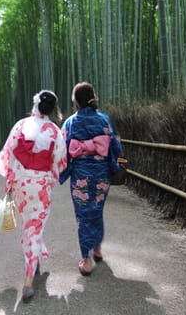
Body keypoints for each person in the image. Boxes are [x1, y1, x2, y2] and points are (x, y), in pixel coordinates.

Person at [0, 90, 67, 303]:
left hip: (20, 183)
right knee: (34, 227)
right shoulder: (55, 131)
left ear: (34, 105)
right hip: (41, 183)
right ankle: (28, 281)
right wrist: (49, 176)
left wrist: (10, 181)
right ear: (53, 109)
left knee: (29, 224)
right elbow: (59, 161)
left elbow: (9, 153)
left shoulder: (21, 125)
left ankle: (34, 258)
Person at [59, 82, 122, 276]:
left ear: (76, 101)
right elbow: (115, 145)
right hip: (102, 172)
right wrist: (113, 163)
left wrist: (62, 168)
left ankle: (87, 259)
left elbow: (62, 148)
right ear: (93, 97)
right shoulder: (104, 120)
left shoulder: (70, 122)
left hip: (81, 175)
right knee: (97, 209)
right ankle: (97, 248)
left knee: (83, 214)